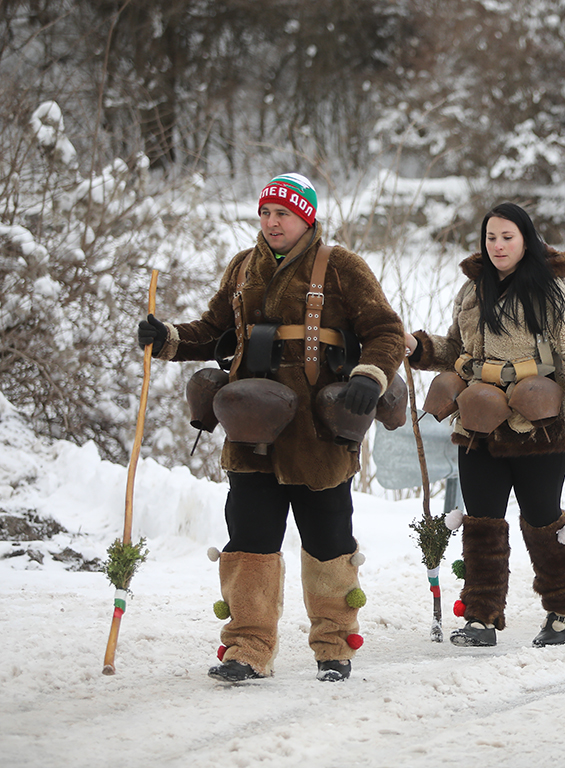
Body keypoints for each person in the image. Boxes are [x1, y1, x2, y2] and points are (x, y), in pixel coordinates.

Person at [137, 173, 406, 683]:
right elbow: (212, 330)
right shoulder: (242, 267)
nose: (271, 222)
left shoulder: (342, 266)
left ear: (306, 215)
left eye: (282, 213)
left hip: (319, 435)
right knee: (250, 538)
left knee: (328, 540)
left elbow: (386, 330)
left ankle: (334, 645)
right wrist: (168, 336)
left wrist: (371, 375)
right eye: (265, 213)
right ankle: (247, 648)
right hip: (250, 431)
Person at [405, 202, 565, 648]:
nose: (497, 246)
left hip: (538, 425)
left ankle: (561, 606)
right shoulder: (472, 290)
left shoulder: (553, 290)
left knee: (541, 517)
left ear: (526, 240)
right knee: (481, 520)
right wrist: (418, 347)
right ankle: (480, 617)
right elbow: (456, 349)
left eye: (507, 237)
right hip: (480, 423)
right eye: (491, 237)